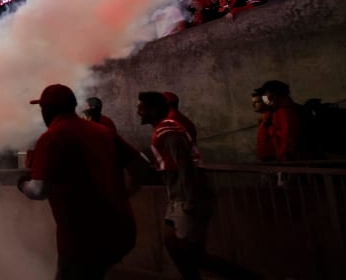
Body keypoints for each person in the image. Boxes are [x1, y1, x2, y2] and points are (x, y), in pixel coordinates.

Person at [19, 85, 138, 279]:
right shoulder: (102, 131)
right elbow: (138, 166)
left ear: (47, 110)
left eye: (42, 108)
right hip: (120, 230)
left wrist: (22, 184)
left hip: (81, 238)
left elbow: (39, 190)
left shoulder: (51, 138)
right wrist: (123, 195)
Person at [137, 92, 215, 280]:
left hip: (186, 196)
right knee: (173, 244)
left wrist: (190, 199)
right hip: (177, 196)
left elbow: (184, 164)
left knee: (191, 254)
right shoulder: (164, 129)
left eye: (141, 107)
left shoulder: (168, 130)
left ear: (153, 109)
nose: (138, 111)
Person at [255, 80, 302, 161]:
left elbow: (287, 137)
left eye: (265, 93)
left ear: (274, 94)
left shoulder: (284, 111)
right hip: (275, 159)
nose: (264, 96)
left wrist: (284, 159)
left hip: (284, 161)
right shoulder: (274, 111)